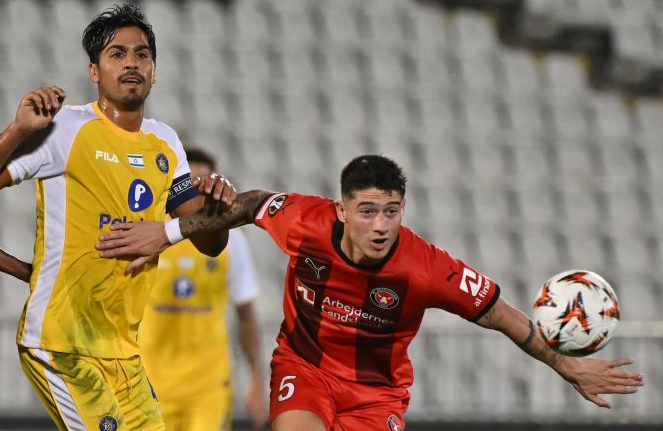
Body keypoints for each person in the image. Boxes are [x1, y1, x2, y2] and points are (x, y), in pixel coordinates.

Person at [95, 155, 644, 431]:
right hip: (304, 368)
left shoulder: (427, 268)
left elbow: (502, 315)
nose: (380, 225)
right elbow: (250, 204)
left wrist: (567, 367)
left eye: (391, 211)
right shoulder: (305, 222)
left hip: (376, 394)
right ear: (341, 209)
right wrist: (168, 233)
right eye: (367, 211)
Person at [0, 4, 235, 431]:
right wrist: (18, 130)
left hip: (125, 353)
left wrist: (216, 211)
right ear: (94, 72)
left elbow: (210, 244)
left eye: (142, 54)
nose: (132, 63)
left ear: (154, 72)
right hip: (61, 342)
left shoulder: (166, 142)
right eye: (117, 54)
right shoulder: (65, 127)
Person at [139, 147, 266, 431]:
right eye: (188, 185)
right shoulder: (150, 234)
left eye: (203, 185)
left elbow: (246, 313)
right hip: (149, 383)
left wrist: (256, 380)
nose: (196, 196)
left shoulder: (232, 242)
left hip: (208, 387)